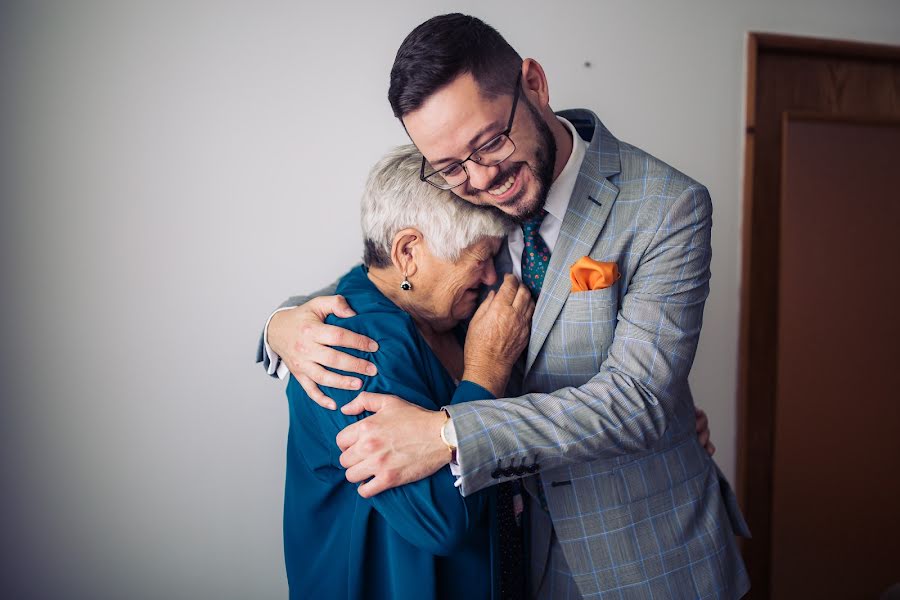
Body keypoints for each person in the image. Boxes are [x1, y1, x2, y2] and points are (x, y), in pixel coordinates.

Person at [262, 13, 750, 600]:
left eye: (490, 141)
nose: (481, 178)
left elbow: (640, 401)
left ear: (536, 84)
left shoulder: (667, 207)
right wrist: (280, 325)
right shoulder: (467, 205)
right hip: (518, 565)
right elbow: (394, 276)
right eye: (448, 168)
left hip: (642, 554)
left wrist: (448, 433)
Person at [283, 144, 533, 599]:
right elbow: (439, 521)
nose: (493, 279)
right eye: (481, 259)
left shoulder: (446, 314)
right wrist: (485, 371)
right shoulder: (351, 345)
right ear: (408, 253)